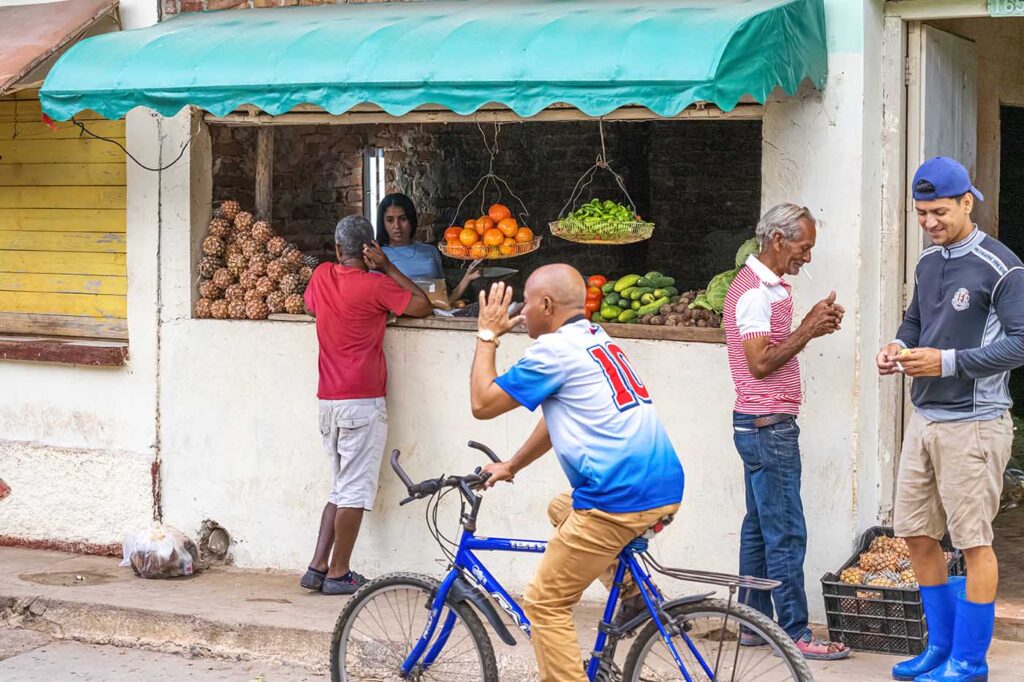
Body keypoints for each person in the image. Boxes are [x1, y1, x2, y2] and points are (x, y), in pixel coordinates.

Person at [471, 265, 684, 682]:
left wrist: (486, 336)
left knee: (544, 603)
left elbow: (482, 403)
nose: (520, 312)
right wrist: (513, 464)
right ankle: (634, 595)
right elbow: (560, 417)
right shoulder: (595, 340)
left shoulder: (553, 352)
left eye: (527, 303)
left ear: (547, 305)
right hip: (661, 485)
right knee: (560, 506)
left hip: (617, 500)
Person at [877, 157, 1024, 682]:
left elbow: (1020, 344)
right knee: (916, 535)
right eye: (920, 214)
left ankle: (969, 661)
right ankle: (939, 650)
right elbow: (917, 320)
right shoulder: (928, 262)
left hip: (976, 423)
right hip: (925, 416)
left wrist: (947, 361)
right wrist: (898, 345)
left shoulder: (1003, 267)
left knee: (973, 542)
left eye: (938, 211)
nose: (930, 223)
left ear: (968, 201)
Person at [722, 203, 849, 660]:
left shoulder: (763, 287)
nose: (807, 257)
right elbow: (759, 364)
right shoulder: (755, 292)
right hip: (767, 426)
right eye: (804, 246)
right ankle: (795, 633)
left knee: (759, 527)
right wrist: (808, 330)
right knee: (786, 531)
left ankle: (753, 622)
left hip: (757, 424)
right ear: (778, 240)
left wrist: (808, 326)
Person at [299, 215, 432, 595]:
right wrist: (388, 267)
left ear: (338, 248)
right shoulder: (377, 286)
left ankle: (317, 566)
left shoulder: (321, 276)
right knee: (354, 492)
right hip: (362, 402)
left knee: (340, 487)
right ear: (370, 248)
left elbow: (312, 307)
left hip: (328, 401)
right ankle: (339, 573)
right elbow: (423, 305)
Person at [376, 192, 480, 304]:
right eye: (390, 220)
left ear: (411, 220)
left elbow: (444, 300)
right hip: (396, 320)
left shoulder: (430, 251)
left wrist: (467, 278)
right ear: (382, 222)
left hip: (435, 319)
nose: (396, 226)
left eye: (403, 218)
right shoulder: (378, 256)